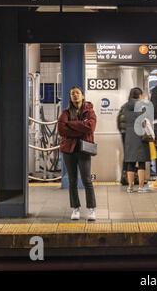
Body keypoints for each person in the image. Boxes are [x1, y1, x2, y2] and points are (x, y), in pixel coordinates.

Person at [57, 86, 97, 221]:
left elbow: (90, 127)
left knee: (87, 180)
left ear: (82, 96)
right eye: (72, 93)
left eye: (77, 93)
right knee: (72, 181)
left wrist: (71, 125)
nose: (75, 95)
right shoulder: (65, 113)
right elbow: (62, 130)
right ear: (70, 97)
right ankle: (75, 208)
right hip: (69, 150)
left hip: (84, 149)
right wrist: (81, 128)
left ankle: (91, 209)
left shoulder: (89, 111)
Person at [123, 87, 151, 193]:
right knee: (141, 162)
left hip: (129, 135)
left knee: (130, 162)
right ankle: (140, 187)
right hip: (140, 135)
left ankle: (130, 187)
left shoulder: (125, 106)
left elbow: (124, 120)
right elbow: (145, 121)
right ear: (139, 95)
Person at [117, 101, 128, 186]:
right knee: (133, 156)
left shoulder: (124, 106)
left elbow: (118, 122)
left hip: (124, 133)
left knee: (127, 155)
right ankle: (128, 177)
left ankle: (124, 177)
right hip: (132, 134)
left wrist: (122, 131)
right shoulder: (136, 106)